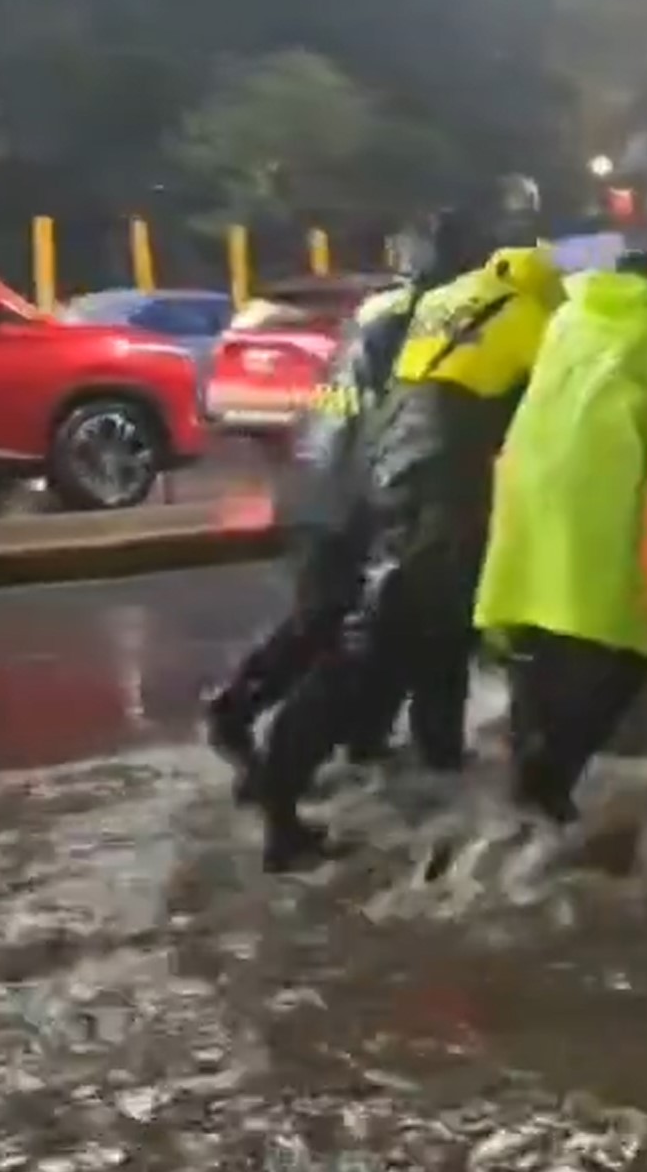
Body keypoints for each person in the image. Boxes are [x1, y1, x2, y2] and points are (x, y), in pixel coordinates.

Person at [252, 243, 566, 872]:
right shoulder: (539, 320)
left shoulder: (455, 304)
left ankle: (432, 766)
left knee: (429, 632)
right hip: (436, 490)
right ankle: (279, 803)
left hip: (388, 470)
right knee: (375, 646)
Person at [202, 210, 488, 795]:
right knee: (367, 625)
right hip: (351, 487)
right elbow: (406, 422)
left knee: (332, 621)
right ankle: (267, 758)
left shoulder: (387, 307)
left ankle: (303, 740)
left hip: (316, 474)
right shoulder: (432, 318)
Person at [474, 249, 647, 827]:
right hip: (599, 497)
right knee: (627, 651)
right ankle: (552, 773)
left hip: (526, 488)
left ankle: (525, 783)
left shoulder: (567, 318)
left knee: (535, 631)